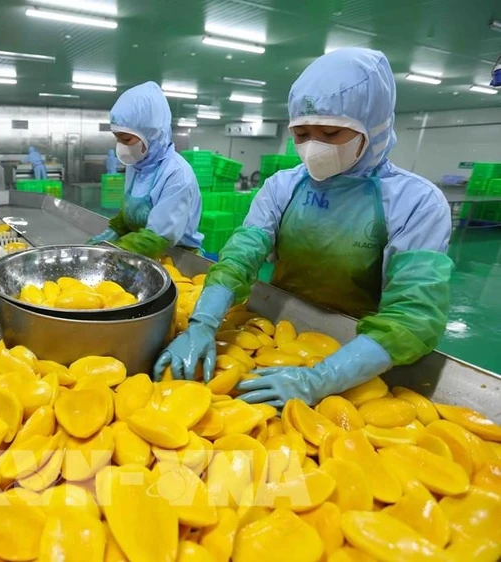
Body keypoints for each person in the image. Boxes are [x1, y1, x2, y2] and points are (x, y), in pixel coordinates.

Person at [154, 48, 453, 408]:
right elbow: (239, 259)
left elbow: (413, 316)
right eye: (302, 133)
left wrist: (320, 379)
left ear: (373, 128)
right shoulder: (283, 186)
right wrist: (202, 323)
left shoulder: (416, 201)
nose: (314, 147)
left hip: (359, 352)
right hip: (280, 330)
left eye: (329, 132)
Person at [88, 81, 203, 259]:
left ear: (152, 134)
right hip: (138, 252)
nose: (120, 146)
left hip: (176, 259)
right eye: (117, 138)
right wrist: (114, 232)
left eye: (126, 139)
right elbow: (131, 212)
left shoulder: (177, 175)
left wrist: (112, 253)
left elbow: (158, 237)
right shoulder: (137, 164)